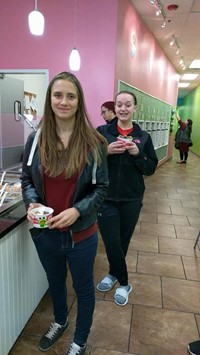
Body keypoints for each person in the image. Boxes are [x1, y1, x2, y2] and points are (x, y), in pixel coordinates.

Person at [21, 71, 109, 355]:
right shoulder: (35, 140)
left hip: (81, 235)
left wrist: (76, 210)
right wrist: (32, 202)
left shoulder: (94, 143)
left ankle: (79, 341)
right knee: (55, 283)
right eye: (58, 95)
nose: (64, 101)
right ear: (50, 100)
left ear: (78, 101)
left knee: (83, 290)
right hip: (46, 234)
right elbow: (26, 180)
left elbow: (101, 189)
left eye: (70, 96)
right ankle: (59, 321)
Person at [96, 90, 158, 306]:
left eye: (127, 105)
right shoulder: (102, 132)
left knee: (122, 241)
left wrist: (137, 154)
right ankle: (124, 283)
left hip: (132, 198)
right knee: (111, 240)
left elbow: (150, 168)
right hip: (106, 197)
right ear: (115, 108)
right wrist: (106, 152)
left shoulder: (144, 136)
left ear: (134, 108)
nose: (123, 109)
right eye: (119, 104)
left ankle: (113, 274)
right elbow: (88, 161)